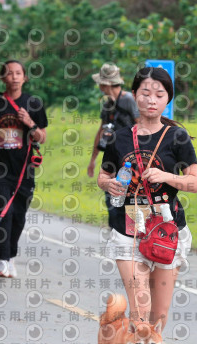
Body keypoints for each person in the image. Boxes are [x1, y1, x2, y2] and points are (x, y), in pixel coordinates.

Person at [97, 66, 197, 344]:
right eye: (145, 93)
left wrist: (167, 177)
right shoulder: (119, 137)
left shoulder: (177, 138)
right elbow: (103, 175)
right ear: (135, 95)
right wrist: (109, 184)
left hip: (166, 233)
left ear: (168, 99)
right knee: (139, 307)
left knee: (159, 314)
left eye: (159, 94)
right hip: (128, 230)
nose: (151, 99)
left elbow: (195, 183)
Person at [0, 60, 48, 278]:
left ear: (25, 78)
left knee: (18, 215)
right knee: (3, 211)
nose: (14, 77)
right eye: (10, 73)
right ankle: (1, 261)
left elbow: (42, 137)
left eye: (18, 73)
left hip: (23, 170)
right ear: (2, 78)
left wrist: (30, 123)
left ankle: (11, 256)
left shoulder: (33, 103)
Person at [88, 63, 139, 227]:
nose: (99, 86)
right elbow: (101, 131)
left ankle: (127, 232)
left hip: (130, 160)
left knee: (127, 200)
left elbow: (141, 126)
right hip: (112, 157)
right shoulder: (107, 104)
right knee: (112, 199)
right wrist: (93, 160)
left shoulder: (129, 100)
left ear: (106, 84)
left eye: (100, 83)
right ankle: (115, 232)